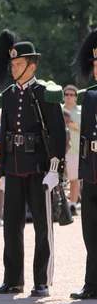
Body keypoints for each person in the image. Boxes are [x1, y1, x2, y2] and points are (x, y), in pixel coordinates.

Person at [0, 29, 66, 297]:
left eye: (18, 64)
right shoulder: (9, 95)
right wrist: (3, 170)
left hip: (39, 169)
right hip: (14, 167)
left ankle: (41, 280)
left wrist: (55, 170)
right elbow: (5, 132)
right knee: (11, 227)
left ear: (32, 66)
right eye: (12, 65)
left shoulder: (46, 92)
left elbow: (58, 133)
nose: (13, 69)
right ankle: (13, 279)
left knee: (42, 227)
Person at [70, 30, 97, 300]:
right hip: (91, 174)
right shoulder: (88, 97)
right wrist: (80, 173)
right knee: (90, 231)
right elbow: (86, 139)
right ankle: (91, 284)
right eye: (95, 64)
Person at [62, 85, 81, 215]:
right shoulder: (57, 110)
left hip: (75, 150)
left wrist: (74, 126)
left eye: (71, 95)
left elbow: (87, 130)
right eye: (66, 94)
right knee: (59, 180)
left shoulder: (81, 111)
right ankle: (61, 204)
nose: (68, 97)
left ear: (76, 97)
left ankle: (73, 205)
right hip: (60, 150)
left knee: (74, 179)